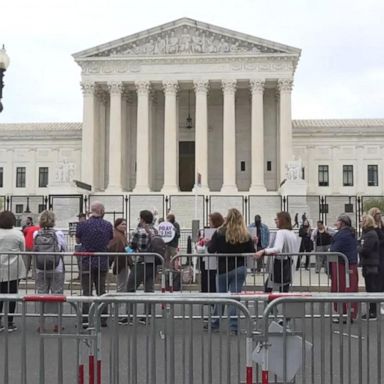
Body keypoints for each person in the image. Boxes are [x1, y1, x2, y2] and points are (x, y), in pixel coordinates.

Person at [207, 208, 254, 335]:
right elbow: (252, 251)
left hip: (223, 267)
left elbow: (211, 250)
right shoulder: (245, 234)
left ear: (227, 218)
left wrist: (208, 243)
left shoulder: (220, 232)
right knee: (234, 298)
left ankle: (215, 323)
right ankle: (233, 327)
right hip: (239, 267)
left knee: (221, 296)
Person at [76, 201, 113, 327]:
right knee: (102, 291)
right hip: (102, 260)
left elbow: (78, 240)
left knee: (86, 291)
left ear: (91, 211)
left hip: (86, 260)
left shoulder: (82, 224)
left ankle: (86, 319)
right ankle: (103, 319)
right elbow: (109, 241)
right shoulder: (108, 225)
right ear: (102, 211)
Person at [33, 210, 66, 332]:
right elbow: (64, 249)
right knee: (57, 295)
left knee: (42, 294)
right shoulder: (59, 234)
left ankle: (41, 324)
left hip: (40, 268)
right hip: (57, 267)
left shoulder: (36, 233)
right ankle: (57, 323)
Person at [125, 210, 158, 324]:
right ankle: (147, 316)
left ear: (142, 219)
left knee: (130, 288)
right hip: (152, 262)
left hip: (141, 262)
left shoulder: (139, 231)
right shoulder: (155, 230)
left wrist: (127, 250)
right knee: (149, 290)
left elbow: (133, 246)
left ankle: (129, 315)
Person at [255, 211, 299, 293]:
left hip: (280, 264)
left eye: (277, 219)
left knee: (268, 287)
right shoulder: (292, 233)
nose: (275, 221)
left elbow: (277, 248)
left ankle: (269, 305)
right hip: (289, 264)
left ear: (282, 220)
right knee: (284, 288)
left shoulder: (281, 232)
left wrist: (263, 251)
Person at [329, 213, 359, 323]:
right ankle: (349, 313)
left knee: (342, 289)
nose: (335, 223)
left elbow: (334, 249)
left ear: (342, 223)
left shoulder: (342, 235)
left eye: (337, 221)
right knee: (350, 289)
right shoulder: (350, 233)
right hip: (349, 264)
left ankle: (345, 314)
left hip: (343, 265)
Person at [0, 211, 25, 332]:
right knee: (12, 294)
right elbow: (23, 249)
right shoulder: (18, 234)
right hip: (14, 267)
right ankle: (10, 322)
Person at [358, 214, 380, 319]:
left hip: (371, 263)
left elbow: (366, 250)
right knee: (369, 287)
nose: (360, 222)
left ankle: (373, 311)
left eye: (362, 220)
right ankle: (372, 310)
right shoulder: (367, 233)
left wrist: (359, 248)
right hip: (368, 263)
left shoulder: (371, 234)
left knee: (371, 288)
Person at [200, 212, 224, 293]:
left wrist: (208, 243)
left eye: (210, 221)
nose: (209, 223)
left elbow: (211, 248)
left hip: (214, 260)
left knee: (213, 280)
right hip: (211, 260)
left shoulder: (218, 233)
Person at [109, 218, 132, 292]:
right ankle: (119, 302)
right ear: (117, 225)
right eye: (122, 224)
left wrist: (131, 251)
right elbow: (118, 248)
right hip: (121, 262)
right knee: (122, 284)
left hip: (123, 261)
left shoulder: (121, 235)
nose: (124, 226)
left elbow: (126, 247)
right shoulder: (117, 236)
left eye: (125, 224)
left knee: (123, 283)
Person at [368, 207, 384, 315]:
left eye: (380, 213)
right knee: (373, 284)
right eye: (377, 213)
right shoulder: (372, 228)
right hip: (375, 258)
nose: (379, 215)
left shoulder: (381, 226)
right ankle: (373, 309)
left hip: (382, 257)